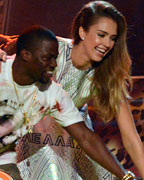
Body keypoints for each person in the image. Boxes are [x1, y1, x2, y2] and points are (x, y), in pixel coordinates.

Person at [0, 1, 144, 179]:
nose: (107, 43)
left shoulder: (108, 75)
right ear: (82, 31)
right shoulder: (52, 49)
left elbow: (130, 137)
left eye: (112, 38)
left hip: (74, 138)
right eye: (101, 35)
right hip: (32, 137)